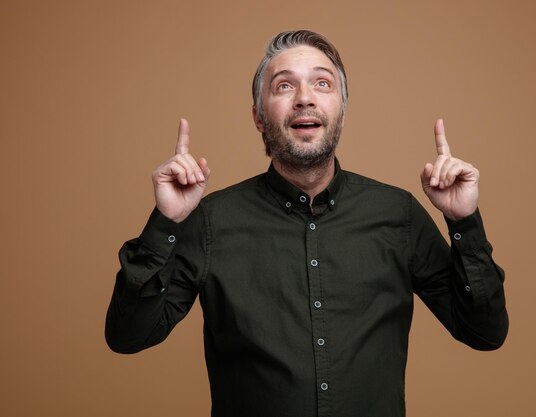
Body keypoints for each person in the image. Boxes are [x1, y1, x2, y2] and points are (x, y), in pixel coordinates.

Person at [106, 30, 508, 417]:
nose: (304, 99)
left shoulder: (398, 215)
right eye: (284, 86)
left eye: (322, 84)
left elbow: (485, 333)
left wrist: (464, 221)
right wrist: (166, 222)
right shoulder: (211, 221)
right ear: (260, 118)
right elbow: (128, 336)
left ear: (342, 112)